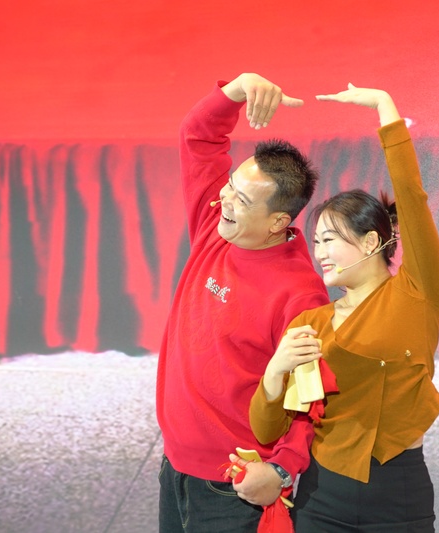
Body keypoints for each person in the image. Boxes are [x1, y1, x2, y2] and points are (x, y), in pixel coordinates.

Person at [248, 84, 439, 532]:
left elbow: (411, 198)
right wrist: (275, 371)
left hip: (399, 492)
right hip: (321, 494)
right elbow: (267, 430)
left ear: (371, 241)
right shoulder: (312, 323)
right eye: (316, 241)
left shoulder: (417, 293)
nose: (319, 252)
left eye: (330, 240)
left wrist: (385, 108)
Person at [156, 73, 330, 533]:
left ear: (277, 221)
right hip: (174, 468)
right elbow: (198, 137)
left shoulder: (301, 295)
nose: (225, 199)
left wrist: (281, 470)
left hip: (234, 487)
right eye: (231, 185)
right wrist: (236, 89)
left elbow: (310, 399)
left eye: (242, 199)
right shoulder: (214, 225)